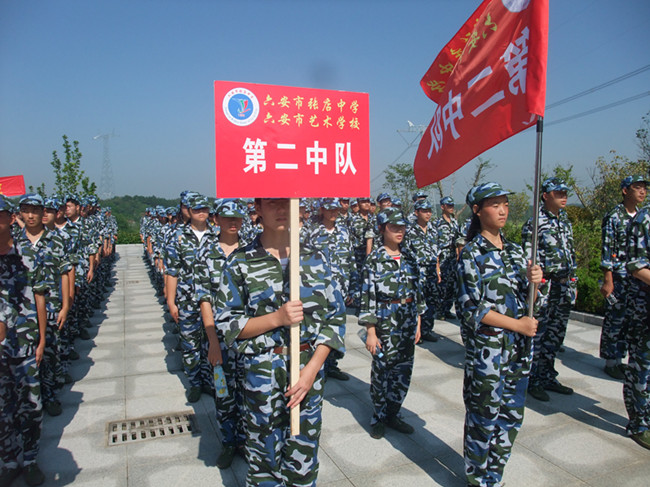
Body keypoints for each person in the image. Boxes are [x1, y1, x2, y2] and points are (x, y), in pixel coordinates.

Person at [215, 197, 345, 486]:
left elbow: (334, 320)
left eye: (287, 202)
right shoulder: (241, 262)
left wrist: (311, 372)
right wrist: (277, 318)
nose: (282, 209)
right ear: (258, 208)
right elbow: (228, 325)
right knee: (264, 462)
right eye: (272, 202)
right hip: (261, 374)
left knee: (303, 459)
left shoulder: (315, 258)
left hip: (307, 371)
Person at [457, 182, 542, 487]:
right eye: (495, 205)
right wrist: (518, 325)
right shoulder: (471, 254)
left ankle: (495, 475)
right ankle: (477, 478)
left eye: (505, 203)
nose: (503, 210)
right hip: (489, 352)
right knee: (484, 417)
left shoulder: (516, 252)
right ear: (478, 211)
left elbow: (532, 305)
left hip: (518, 350)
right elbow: (471, 309)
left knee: (511, 416)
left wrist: (536, 283)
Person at [359, 207, 425, 439]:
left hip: (407, 320)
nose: (399, 231)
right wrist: (371, 332)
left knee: (403, 371)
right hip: (386, 321)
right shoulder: (374, 260)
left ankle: (393, 413)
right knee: (382, 371)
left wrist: (418, 322)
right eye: (393, 227)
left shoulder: (410, 257)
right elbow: (368, 297)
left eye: (402, 226)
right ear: (382, 229)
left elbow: (417, 292)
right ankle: (378, 416)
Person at [0, 195, 50, 487]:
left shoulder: (26, 255)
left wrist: (42, 339)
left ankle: (30, 459)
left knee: (30, 406)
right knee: (2, 410)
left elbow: (39, 297)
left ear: (9, 219)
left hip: (23, 342)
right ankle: (8, 461)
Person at [195, 199, 248, 469]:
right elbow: (205, 299)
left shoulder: (253, 250)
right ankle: (229, 442)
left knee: (250, 393)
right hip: (219, 338)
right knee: (223, 393)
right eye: (227, 217)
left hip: (248, 337)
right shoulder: (206, 253)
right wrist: (213, 342)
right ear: (216, 219)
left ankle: (247, 442)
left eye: (237, 217)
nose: (233, 222)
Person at [522, 177, 577, 402]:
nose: (563, 197)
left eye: (565, 193)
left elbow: (571, 254)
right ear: (546, 196)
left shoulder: (565, 221)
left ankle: (547, 376)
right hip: (545, 286)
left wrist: (573, 283)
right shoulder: (535, 223)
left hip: (563, 285)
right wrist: (533, 290)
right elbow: (529, 259)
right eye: (558, 193)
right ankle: (533, 380)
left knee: (556, 334)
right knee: (539, 334)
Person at [167, 194, 216, 402]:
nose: (201, 213)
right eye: (197, 209)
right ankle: (195, 383)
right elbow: (172, 271)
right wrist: (171, 301)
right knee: (190, 344)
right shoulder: (178, 236)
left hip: (212, 301)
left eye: (205, 209)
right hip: (187, 300)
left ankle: (210, 382)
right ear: (189, 211)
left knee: (210, 342)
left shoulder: (216, 235)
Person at [600, 175, 648, 379]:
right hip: (619, 278)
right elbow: (606, 249)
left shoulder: (641, 216)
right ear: (625, 191)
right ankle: (611, 361)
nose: (642, 191)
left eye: (644, 188)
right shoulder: (614, 216)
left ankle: (623, 358)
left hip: (637, 282)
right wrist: (608, 280)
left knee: (630, 321)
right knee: (615, 319)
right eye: (637, 187)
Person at [305, 198, 353, 381]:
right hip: (318, 289)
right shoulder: (312, 231)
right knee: (318, 327)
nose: (333, 212)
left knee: (336, 327)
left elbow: (351, 260)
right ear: (322, 210)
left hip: (340, 288)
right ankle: (318, 367)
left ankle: (332, 365)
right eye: (329, 209)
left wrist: (353, 288)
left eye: (336, 209)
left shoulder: (344, 231)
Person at [624, 181, 650, 451]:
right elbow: (635, 265)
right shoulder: (644, 221)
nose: (643, 191)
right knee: (642, 366)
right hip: (644, 307)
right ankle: (639, 424)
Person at [405, 199, 439, 342]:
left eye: (429, 211)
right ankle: (415, 331)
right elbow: (406, 254)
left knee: (432, 302)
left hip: (431, 271)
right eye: (424, 211)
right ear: (416, 212)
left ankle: (427, 330)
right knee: (417, 303)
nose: (428, 214)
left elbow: (437, 253)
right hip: (418, 272)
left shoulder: (433, 230)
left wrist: (438, 270)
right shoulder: (409, 231)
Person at [435, 196, 461, 320]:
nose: (451, 207)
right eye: (448, 205)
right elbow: (435, 243)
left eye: (452, 205)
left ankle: (447, 309)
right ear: (442, 207)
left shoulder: (455, 222)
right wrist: (437, 262)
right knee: (442, 285)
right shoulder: (437, 223)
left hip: (452, 256)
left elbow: (459, 240)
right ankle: (439, 310)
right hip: (443, 255)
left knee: (452, 284)